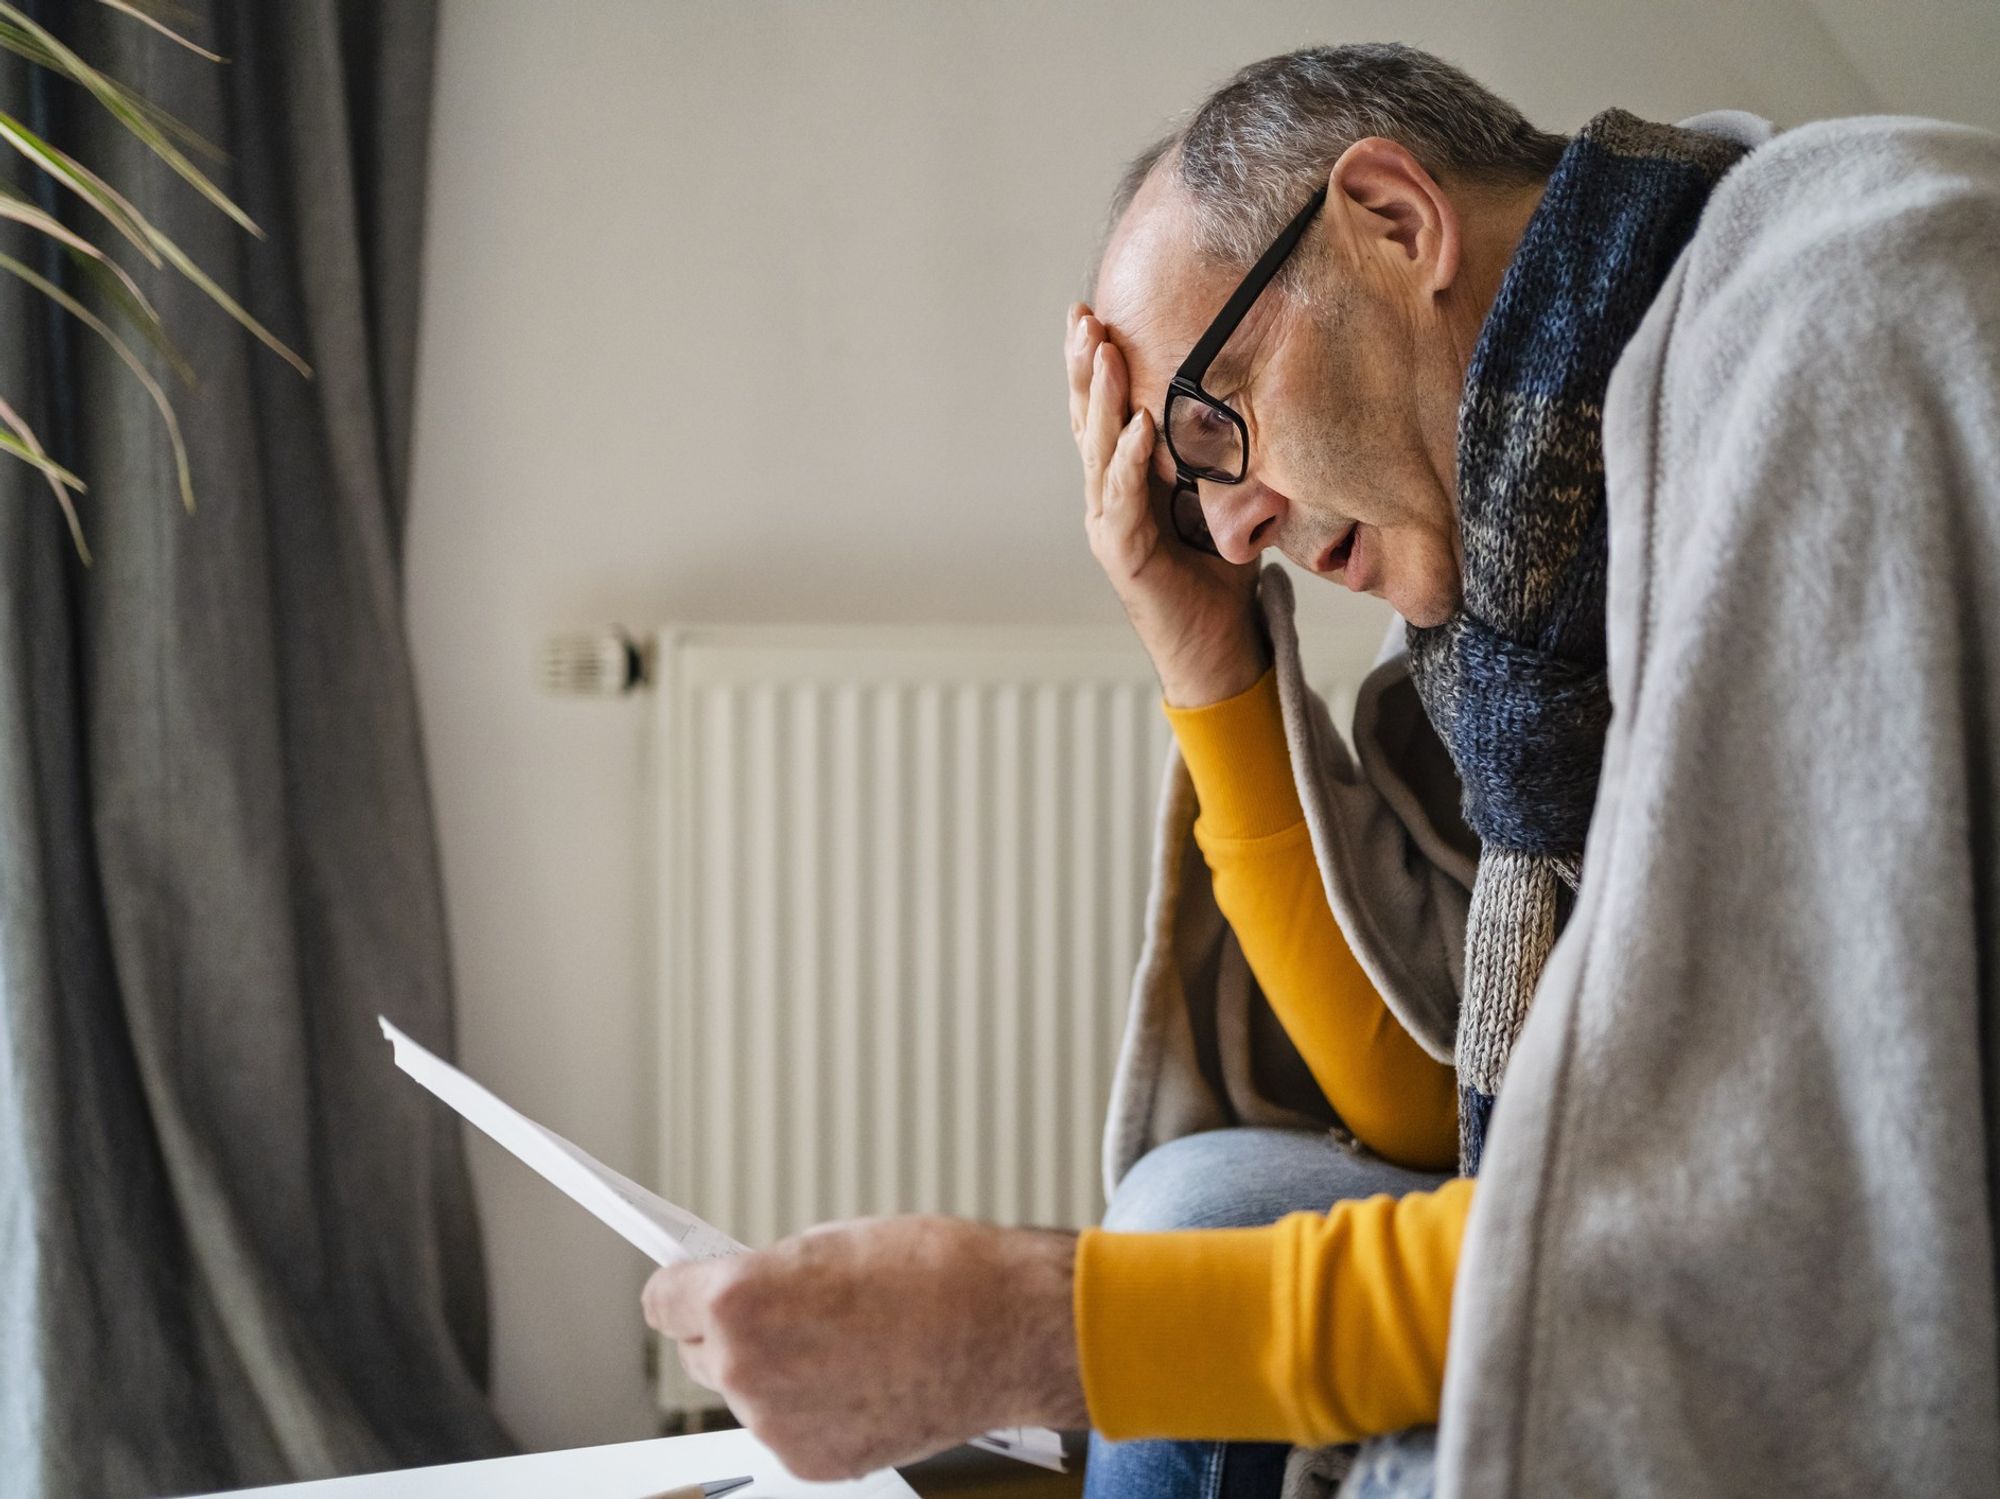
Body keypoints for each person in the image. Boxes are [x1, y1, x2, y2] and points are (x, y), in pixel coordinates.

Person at [644, 43, 2000, 1499]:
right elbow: (1439, 1104)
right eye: (1181, 486)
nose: (1226, 530)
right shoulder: (1530, 615)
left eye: (1214, 423)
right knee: (1201, 1203)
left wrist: (1046, 1329)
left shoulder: (1841, 327)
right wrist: (1205, 653)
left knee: (1370, 1414)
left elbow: (1774, 1213)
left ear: (1397, 221)